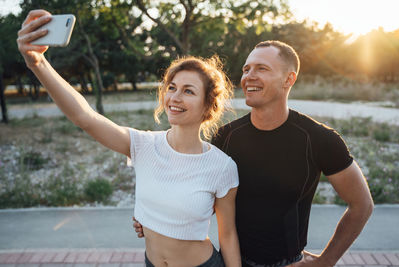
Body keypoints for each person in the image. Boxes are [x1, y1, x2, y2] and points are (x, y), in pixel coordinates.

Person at [17, 10, 242, 267]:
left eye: (188, 91)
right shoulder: (142, 145)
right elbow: (84, 117)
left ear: (207, 106)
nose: (175, 97)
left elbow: (227, 235)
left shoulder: (222, 167)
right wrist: (37, 63)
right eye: (171, 87)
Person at [134, 40, 374, 267]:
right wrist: (155, 220)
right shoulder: (225, 137)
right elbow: (198, 196)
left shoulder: (319, 139)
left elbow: (362, 204)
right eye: (246, 69)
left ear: (289, 79)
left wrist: (327, 260)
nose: (249, 76)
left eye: (262, 68)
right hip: (231, 260)